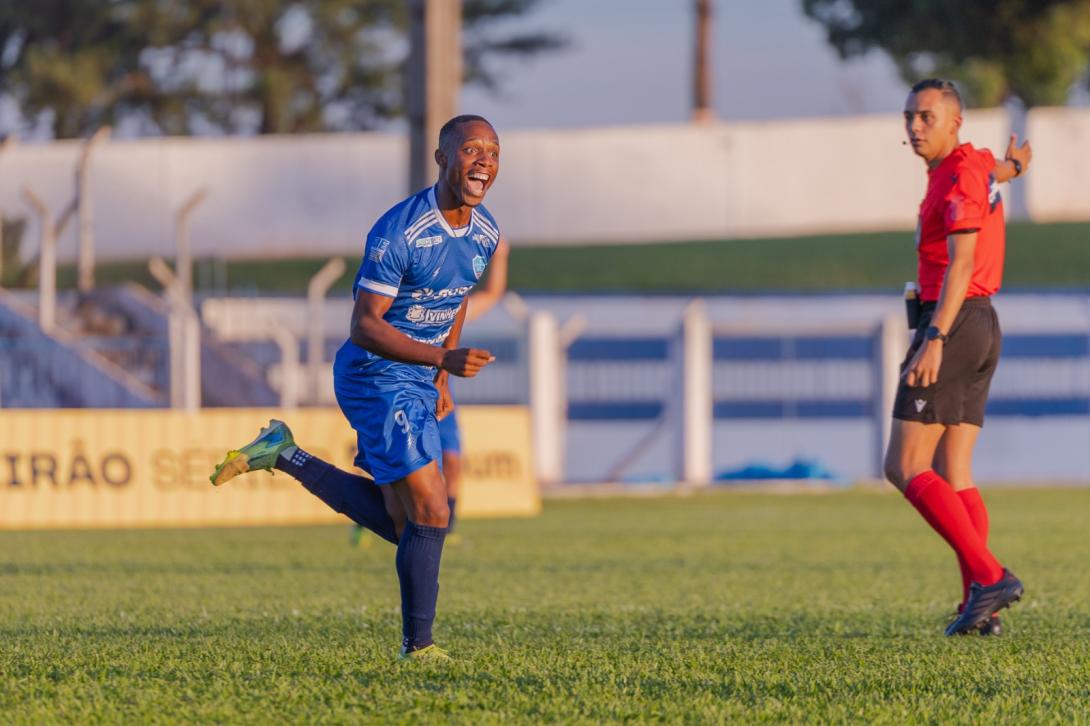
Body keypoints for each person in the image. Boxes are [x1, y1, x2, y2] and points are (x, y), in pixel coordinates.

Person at [209, 114, 503, 661]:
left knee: (408, 524)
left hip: (419, 377)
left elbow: (457, 296)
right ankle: (419, 648)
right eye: (471, 149)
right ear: (442, 158)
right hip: (374, 374)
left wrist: (440, 376)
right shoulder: (399, 231)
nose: (484, 160)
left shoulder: (485, 232)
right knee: (433, 513)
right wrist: (442, 358)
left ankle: (285, 454)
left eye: (493, 151)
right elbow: (365, 325)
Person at [884, 79, 1032, 636]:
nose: (914, 126)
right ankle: (981, 607)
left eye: (926, 116)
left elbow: (961, 265)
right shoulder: (972, 163)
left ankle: (989, 578)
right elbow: (996, 171)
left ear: (955, 122)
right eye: (909, 116)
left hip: (955, 320)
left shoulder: (959, 174)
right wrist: (1016, 167)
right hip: (979, 322)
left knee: (904, 466)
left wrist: (934, 336)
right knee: (953, 470)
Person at [350, 237, 510, 547]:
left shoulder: (448, 305)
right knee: (391, 478)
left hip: (437, 392)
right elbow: (367, 326)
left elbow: (490, 295)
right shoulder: (399, 309)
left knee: (452, 460)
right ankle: (364, 520)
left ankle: (446, 527)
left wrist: (501, 255)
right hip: (395, 391)